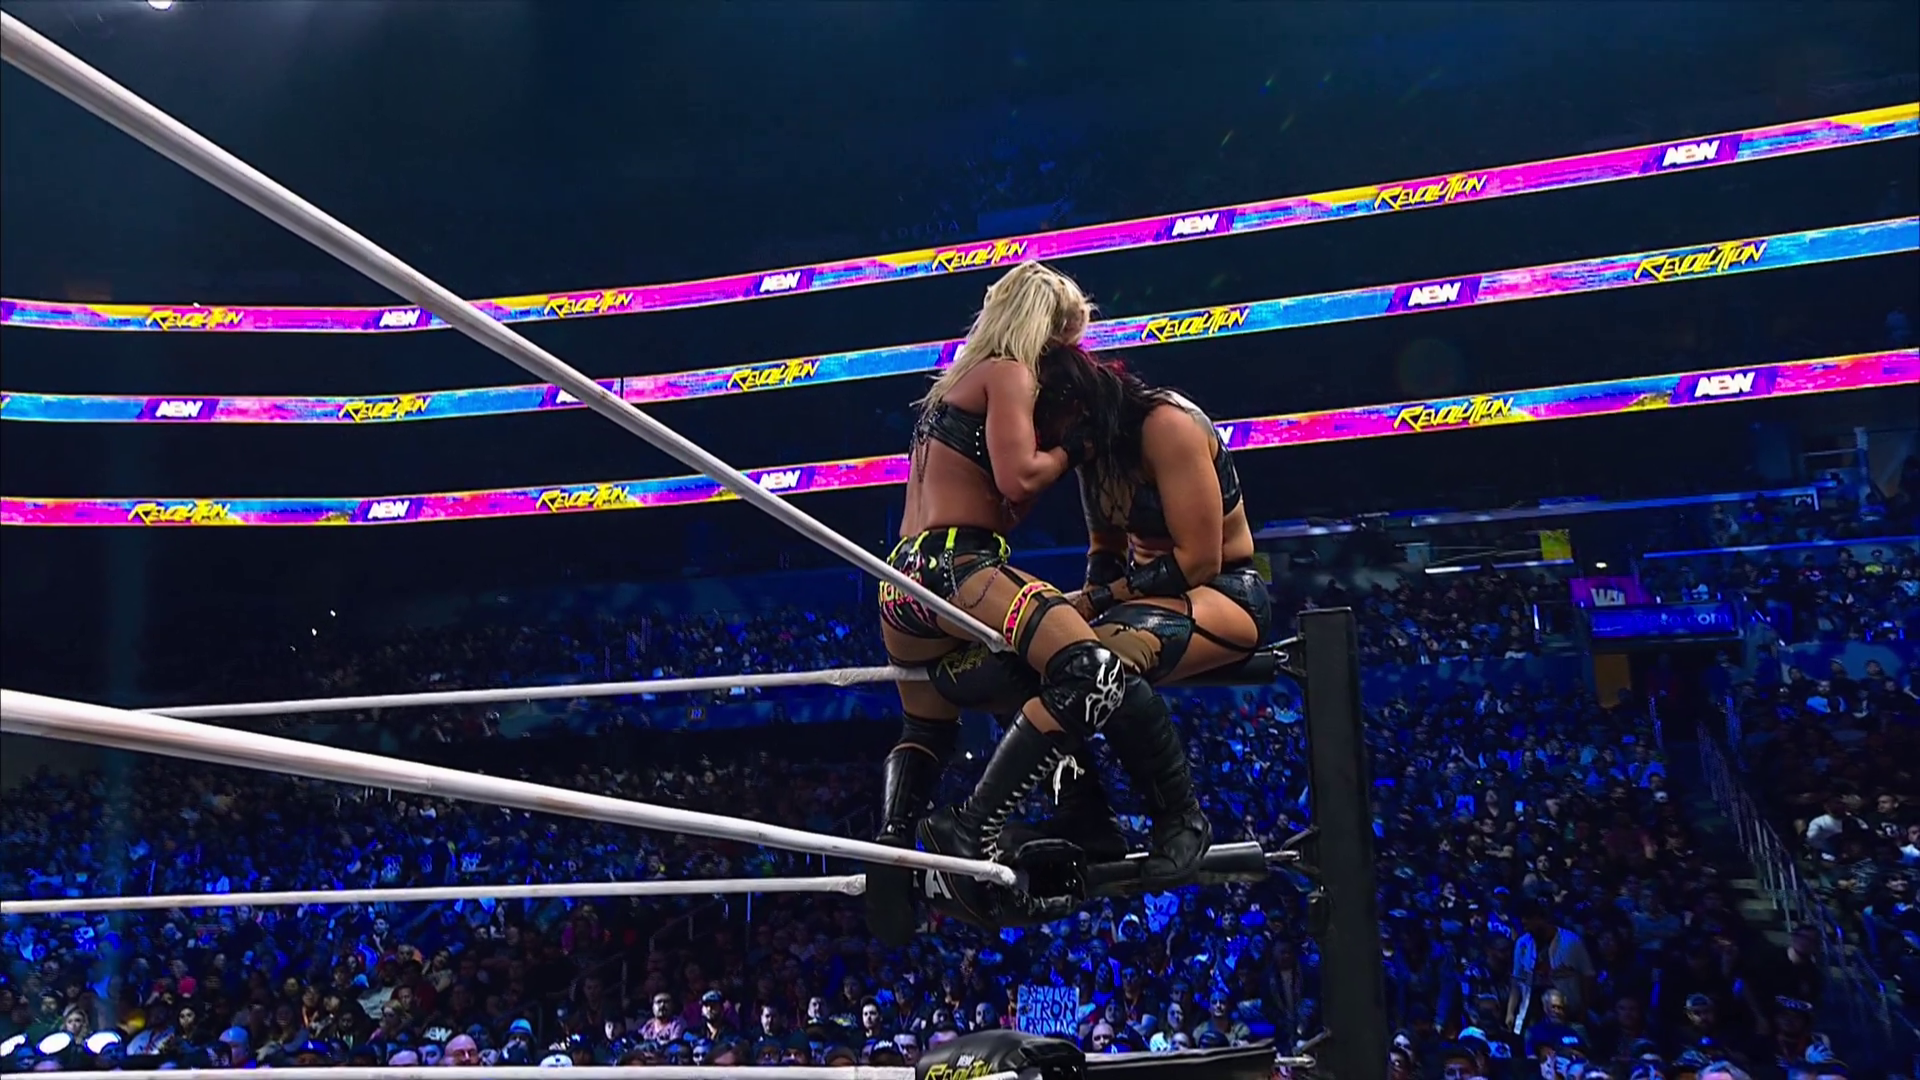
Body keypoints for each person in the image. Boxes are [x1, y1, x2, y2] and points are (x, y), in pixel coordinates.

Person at [869, 261, 1209, 940]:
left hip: (901, 580)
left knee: (939, 721)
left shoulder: (950, 387)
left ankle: (892, 853)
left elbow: (994, 495)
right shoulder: (1008, 371)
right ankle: (975, 825)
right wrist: (1071, 450)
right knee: (1093, 669)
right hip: (958, 566)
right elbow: (1018, 478)